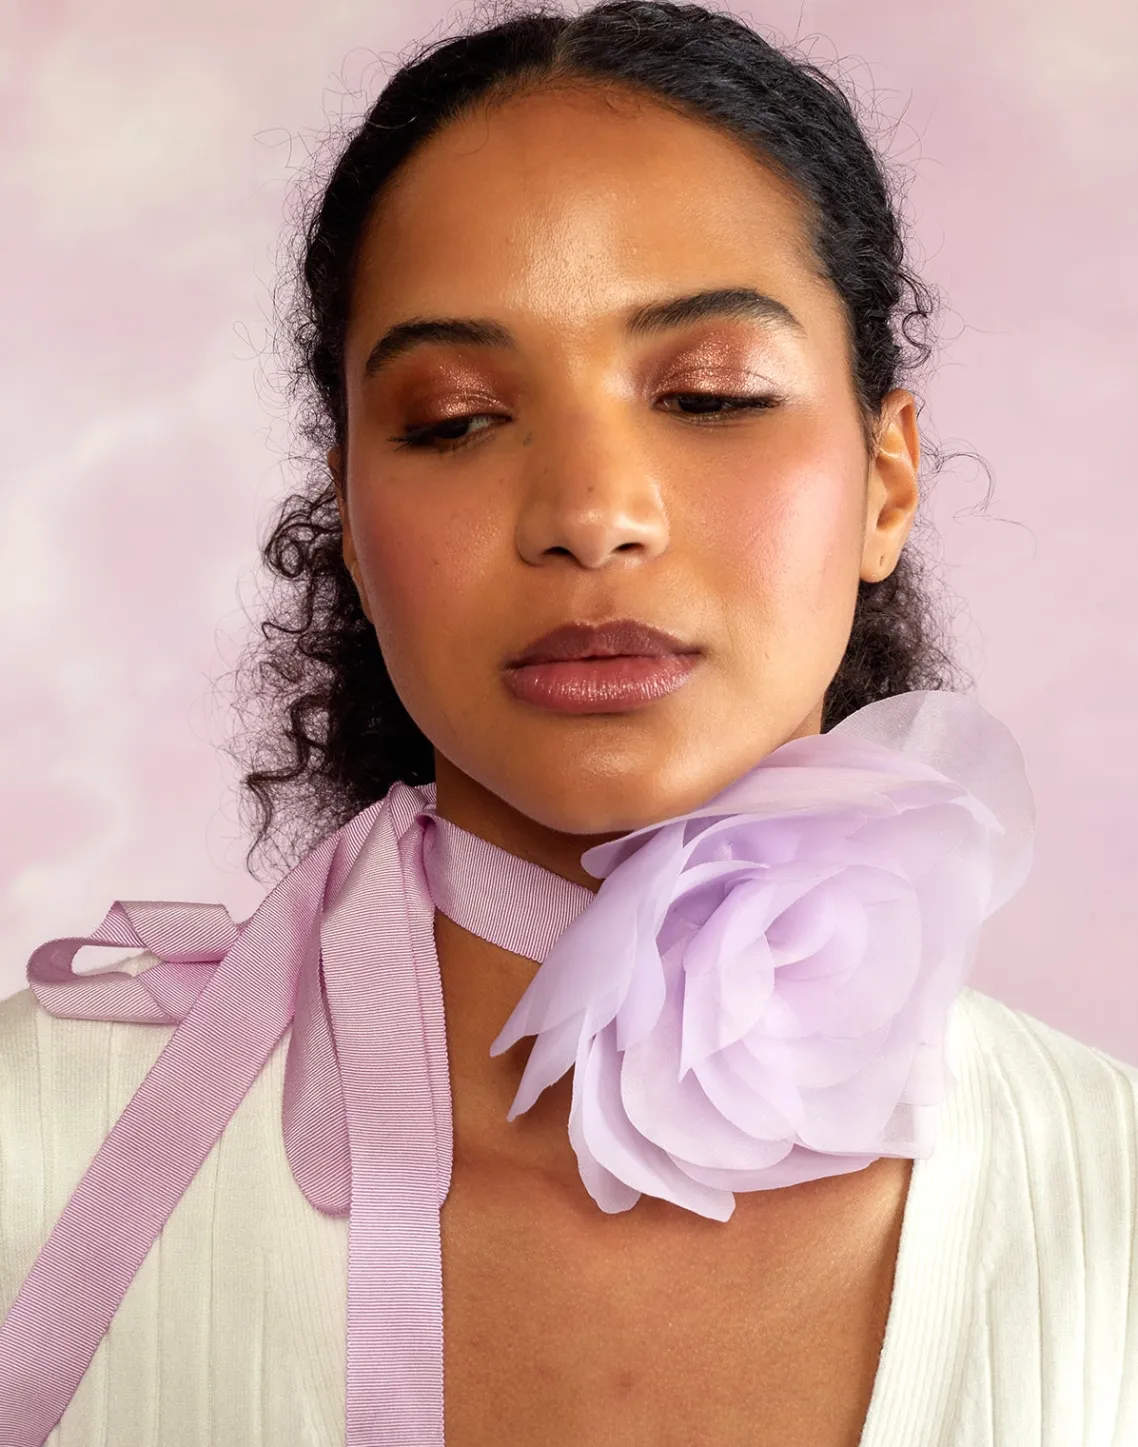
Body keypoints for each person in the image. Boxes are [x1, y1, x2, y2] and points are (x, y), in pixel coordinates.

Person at [1, 3, 1135, 1444]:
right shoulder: (30, 1149)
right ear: (350, 518)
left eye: (710, 395)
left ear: (885, 480)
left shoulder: (1111, 1206)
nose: (592, 513)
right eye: (455, 418)